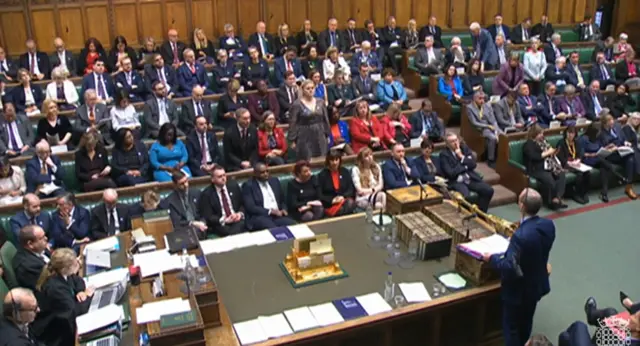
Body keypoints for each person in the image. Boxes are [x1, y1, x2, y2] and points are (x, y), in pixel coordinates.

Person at [482, 188, 555, 346]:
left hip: (517, 291)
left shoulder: (521, 236)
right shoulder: (549, 225)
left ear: (521, 206)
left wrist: (491, 258)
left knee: (511, 328)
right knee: (526, 321)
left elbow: (510, 266)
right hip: (536, 285)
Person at [33, 248, 92, 346]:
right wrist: (88, 297)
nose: (78, 264)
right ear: (65, 268)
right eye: (75, 263)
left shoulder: (62, 273)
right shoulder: (55, 288)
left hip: (66, 319)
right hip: (57, 333)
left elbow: (77, 280)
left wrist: (81, 291)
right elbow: (73, 312)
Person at [440, 133, 494, 212]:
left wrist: (461, 156)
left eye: (456, 140)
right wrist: (465, 166)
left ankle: (481, 214)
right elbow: (451, 173)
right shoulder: (444, 155)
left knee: (488, 190)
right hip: (456, 181)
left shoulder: (464, 148)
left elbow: (473, 164)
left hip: (469, 178)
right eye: (452, 141)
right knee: (466, 197)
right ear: (447, 144)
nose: (455, 143)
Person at [523, 125, 567, 210]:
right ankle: (551, 203)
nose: (542, 135)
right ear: (534, 134)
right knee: (549, 179)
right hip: (535, 169)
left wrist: (553, 152)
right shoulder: (528, 144)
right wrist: (547, 153)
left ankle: (557, 198)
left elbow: (549, 152)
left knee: (561, 174)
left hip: (547, 166)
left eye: (542, 133)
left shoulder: (544, 142)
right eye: (540, 133)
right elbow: (534, 157)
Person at [242, 163, 296, 230]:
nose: (266, 174)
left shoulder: (274, 181)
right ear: (255, 174)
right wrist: (270, 211)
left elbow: (282, 200)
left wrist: (284, 209)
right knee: (274, 229)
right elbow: (251, 207)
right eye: (262, 172)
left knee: (294, 225)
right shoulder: (248, 186)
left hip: (277, 216)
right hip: (260, 217)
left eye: (267, 171)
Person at [198, 165, 247, 236]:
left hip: (237, 220)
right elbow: (208, 216)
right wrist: (224, 220)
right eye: (220, 177)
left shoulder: (233, 186)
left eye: (224, 175)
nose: (223, 178)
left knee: (243, 224)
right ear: (212, 179)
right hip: (221, 223)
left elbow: (242, 203)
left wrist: (239, 214)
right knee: (227, 231)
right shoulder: (207, 194)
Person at [288, 79, 331, 160]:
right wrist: (292, 139)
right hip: (305, 135)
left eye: (312, 88)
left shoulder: (320, 102)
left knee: (322, 158)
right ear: (303, 90)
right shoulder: (297, 104)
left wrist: (327, 134)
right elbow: (293, 122)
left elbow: (325, 119)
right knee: (307, 159)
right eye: (308, 88)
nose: (311, 90)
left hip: (320, 134)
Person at [597, 113, 637, 199]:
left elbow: (623, 138)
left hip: (621, 152)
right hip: (611, 155)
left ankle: (628, 186)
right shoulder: (601, 133)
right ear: (604, 123)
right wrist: (611, 148)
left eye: (612, 120)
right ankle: (626, 182)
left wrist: (626, 142)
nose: (612, 122)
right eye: (609, 121)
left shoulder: (617, 127)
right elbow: (602, 147)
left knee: (630, 159)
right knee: (629, 157)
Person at [555, 126, 592, 205]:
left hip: (576, 164)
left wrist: (578, 160)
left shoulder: (576, 142)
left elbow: (580, 153)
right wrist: (569, 163)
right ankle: (576, 194)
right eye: (569, 133)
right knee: (580, 174)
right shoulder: (561, 143)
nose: (570, 135)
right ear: (566, 133)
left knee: (587, 172)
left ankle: (584, 192)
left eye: (572, 133)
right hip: (565, 165)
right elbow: (559, 157)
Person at [163, 170, 207, 237]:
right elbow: (177, 222)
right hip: (184, 230)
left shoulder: (196, 193)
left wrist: (202, 223)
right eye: (182, 183)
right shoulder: (170, 201)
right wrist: (192, 223)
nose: (186, 185)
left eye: (186, 181)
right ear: (175, 185)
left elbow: (204, 212)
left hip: (201, 227)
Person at [467, 91, 501, 167]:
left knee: (503, 136)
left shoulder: (487, 106)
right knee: (493, 138)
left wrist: (496, 129)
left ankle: (500, 157)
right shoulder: (469, 107)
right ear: (474, 99)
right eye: (480, 99)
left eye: (483, 99)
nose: (482, 101)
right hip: (481, 128)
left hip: (491, 126)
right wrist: (487, 126)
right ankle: (490, 159)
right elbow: (474, 122)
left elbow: (493, 119)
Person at [317, 151, 355, 217]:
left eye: (336, 160)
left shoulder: (345, 171)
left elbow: (351, 188)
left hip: (343, 200)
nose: (334, 163)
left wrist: (343, 197)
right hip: (330, 204)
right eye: (332, 160)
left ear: (339, 160)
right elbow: (319, 194)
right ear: (328, 161)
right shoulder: (322, 175)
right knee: (341, 209)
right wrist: (332, 200)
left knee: (350, 203)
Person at [12, 225, 50, 291]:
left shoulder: (39, 250)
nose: (46, 238)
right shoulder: (29, 266)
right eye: (42, 238)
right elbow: (48, 286)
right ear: (30, 244)